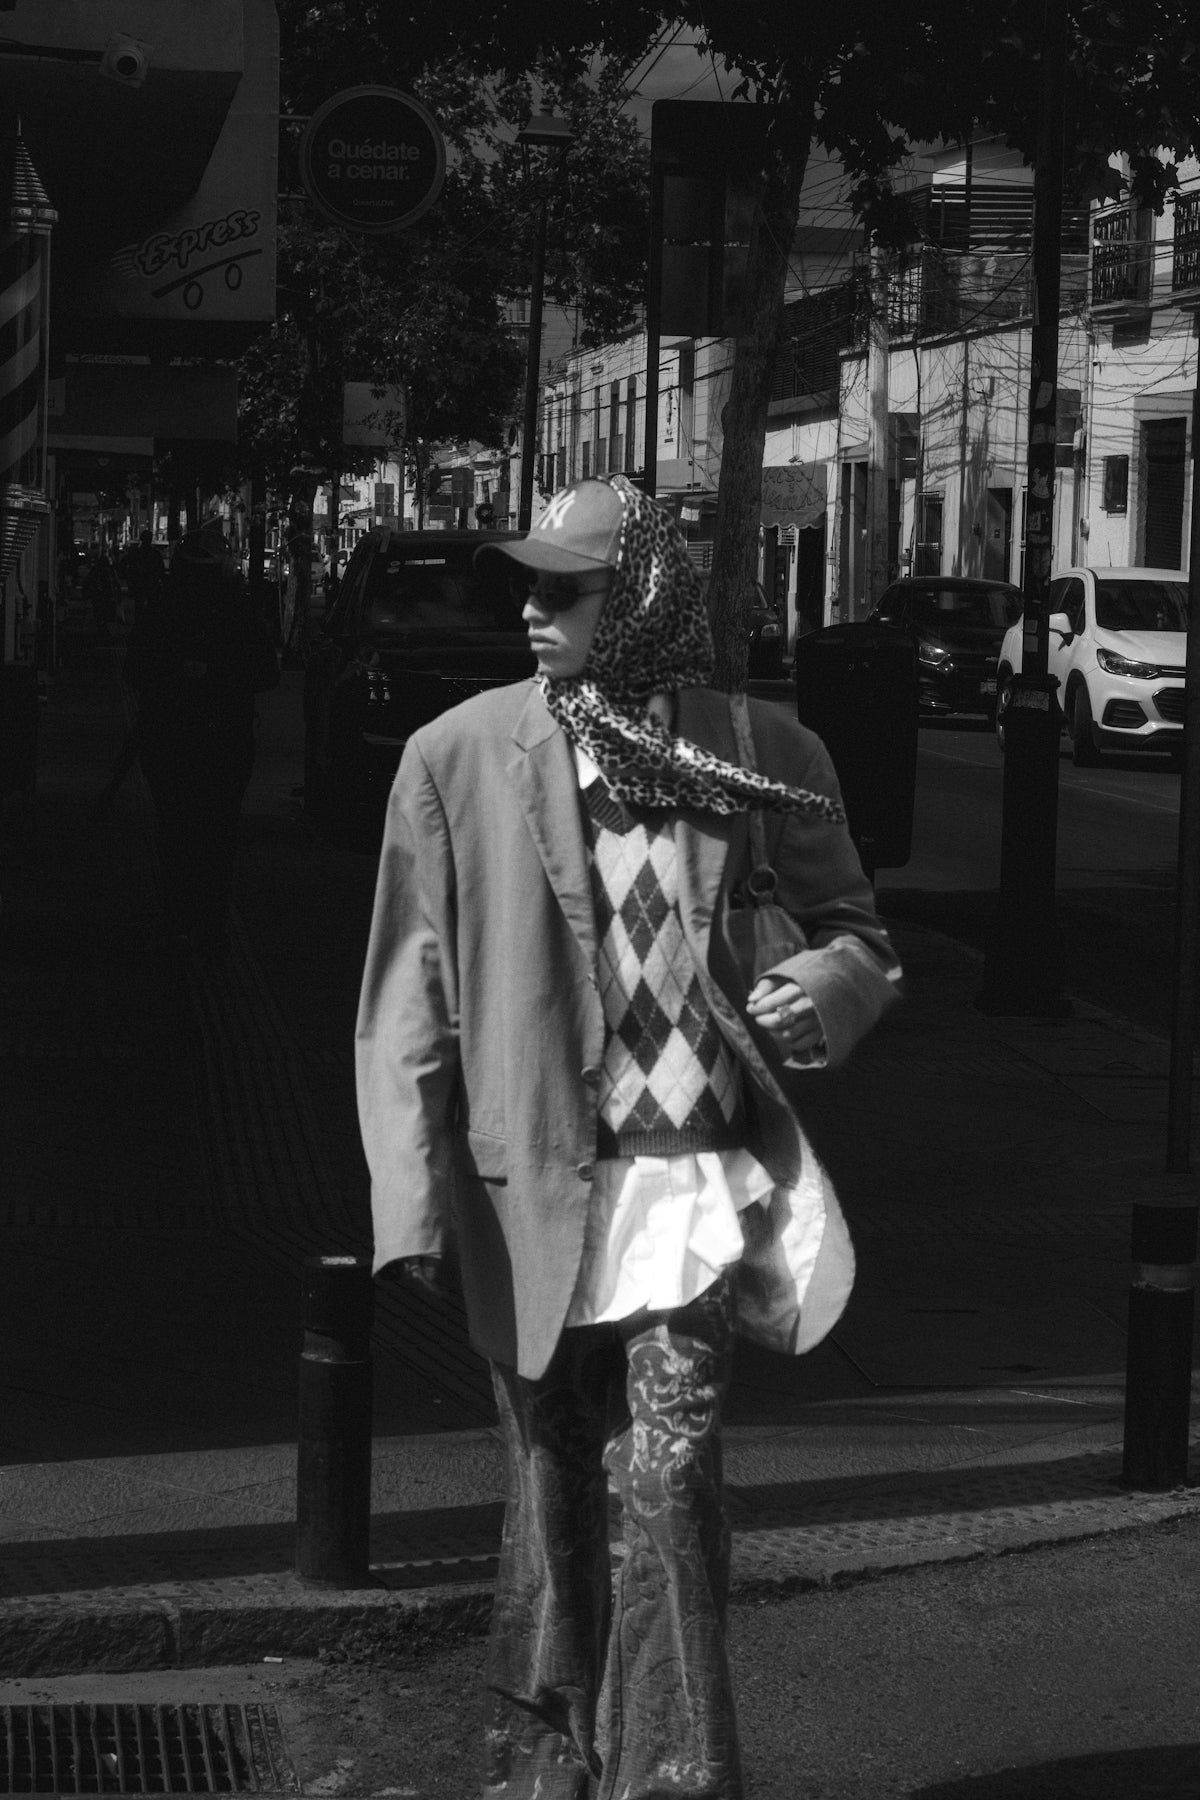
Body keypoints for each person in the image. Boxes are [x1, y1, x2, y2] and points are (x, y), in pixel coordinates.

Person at [356, 475, 902, 1800]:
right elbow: (403, 1005)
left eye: (566, 589)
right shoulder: (457, 757)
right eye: (527, 587)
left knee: (664, 1489)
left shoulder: (765, 754)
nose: (532, 612)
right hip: (528, 1189)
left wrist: (823, 992)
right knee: (551, 1502)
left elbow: (861, 938)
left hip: (691, 1194)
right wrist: (409, 1207)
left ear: (645, 602)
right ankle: (547, 1768)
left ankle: (671, 1778)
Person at [123, 518, 279, 952]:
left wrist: (179, 675)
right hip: (222, 737)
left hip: (171, 735)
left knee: (176, 828)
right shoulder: (239, 612)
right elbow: (268, 673)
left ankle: (180, 918)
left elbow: (134, 670)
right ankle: (208, 922)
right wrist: (220, 678)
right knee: (218, 830)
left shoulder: (162, 610)